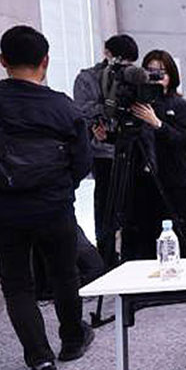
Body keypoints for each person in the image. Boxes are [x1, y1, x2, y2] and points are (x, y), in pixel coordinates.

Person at [0, 25, 93, 370]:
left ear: (2, 60)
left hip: (1, 209)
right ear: (45, 61)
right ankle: (73, 339)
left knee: (18, 285)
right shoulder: (64, 107)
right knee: (64, 273)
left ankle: (41, 360)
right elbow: (82, 163)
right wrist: (58, 186)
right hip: (54, 207)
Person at [73, 32, 139, 270]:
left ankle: (133, 256)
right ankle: (107, 261)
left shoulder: (131, 77)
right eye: (121, 61)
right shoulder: (88, 78)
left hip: (132, 148)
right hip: (103, 152)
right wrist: (110, 104)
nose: (124, 68)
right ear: (107, 54)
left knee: (133, 207)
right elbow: (82, 110)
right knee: (106, 210)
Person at [120, 48, 186, 260]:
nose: (156, 77)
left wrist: (157, 123)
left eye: (161, 72)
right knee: (142, 235)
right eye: (150, 72)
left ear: (172, 76)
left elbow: (181, 140)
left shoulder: (181, 106)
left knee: (177, 234)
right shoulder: (136, 105)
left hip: (172, 181)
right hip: (141, 181)